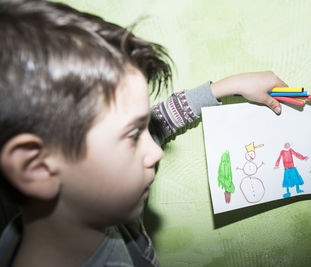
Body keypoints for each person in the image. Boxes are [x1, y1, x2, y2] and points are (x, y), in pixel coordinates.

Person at [0, 0, 288, 266]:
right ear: (35, 167)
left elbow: (159, 120)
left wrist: (228, 87)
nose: (156, 151)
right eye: (132, 135)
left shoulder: (86, 207)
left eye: (143, 128)